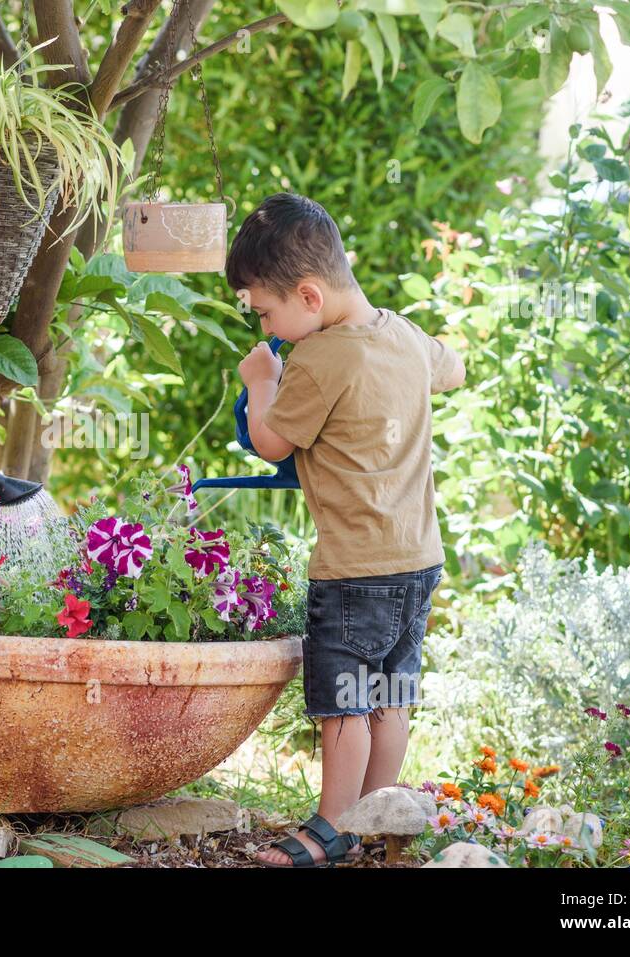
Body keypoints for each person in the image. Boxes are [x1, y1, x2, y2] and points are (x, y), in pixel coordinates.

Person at [228, 193, 465, 867]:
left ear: (308, 295)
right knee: (390, 696)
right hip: (418, 561)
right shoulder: (403, 335)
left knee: (344, 707)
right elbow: (456, 368)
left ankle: (329, 827)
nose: (268, 325)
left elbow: (272, 440)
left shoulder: (320, 359)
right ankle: (375, 813)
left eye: (267, 312)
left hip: (355, 569)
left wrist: (261, 378)